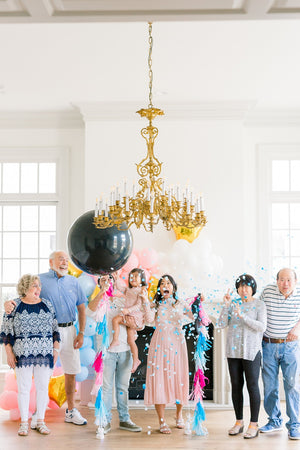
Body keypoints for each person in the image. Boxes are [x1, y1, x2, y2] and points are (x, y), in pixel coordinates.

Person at [4, 251, 88, 426]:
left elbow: (81, 308)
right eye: (60, 259)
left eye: (66, 259)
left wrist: (81, 333)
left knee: (71, 371)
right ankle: (36, 414)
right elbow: (25, 295)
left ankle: (71, 411)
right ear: (51, 262)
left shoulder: (74, 282)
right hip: (47, 333)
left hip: (70, 330)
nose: (64, 262)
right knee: (39, 372)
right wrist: (7, 303)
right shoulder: (40, 279)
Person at [87, 274, 151, 434]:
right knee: (106, 388)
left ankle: (124, 419)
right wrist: (102, 292)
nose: (108, 282)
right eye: (104, 280)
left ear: (116, 283)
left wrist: (135, 324)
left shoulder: (125, 300)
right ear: (100, 283)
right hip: (106, 352)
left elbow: (142, 322)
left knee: (123, 387)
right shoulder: (100, 302)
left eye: (110, 280)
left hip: (125, 350)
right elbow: (89, 312)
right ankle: (105, 420)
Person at [0, 274, 60, 436]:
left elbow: (55, 330)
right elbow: (5, 332)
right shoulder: (14, 305)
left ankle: (40, 421)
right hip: (22, 354)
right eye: (34, 285)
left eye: (39, 285)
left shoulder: (47, 304)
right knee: (24, 389)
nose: (38, 288)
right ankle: (24, 423)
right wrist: (9, 353)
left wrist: (56, 351)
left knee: (42, 388)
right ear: (25, 287)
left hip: (45, 354)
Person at [217, 274, 267, 439]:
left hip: (252, 352)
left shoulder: (259, 304)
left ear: (253, 288)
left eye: (247, 286)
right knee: (236, 386)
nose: (244, 289)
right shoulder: (233, 304)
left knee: (252, 386)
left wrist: (243, 317)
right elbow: (221, 324)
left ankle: (254, 424)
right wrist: (226, 306)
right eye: (241, 286)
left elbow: (261, 327)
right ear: (237, 289)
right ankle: (239, 422)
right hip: (233, 352)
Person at [144, 274, 194, 434]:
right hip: (160, 344)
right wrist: (146, 302)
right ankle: (161, 420)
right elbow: (147, 320)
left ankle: (179, 415)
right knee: (159, 380)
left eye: (168, 283)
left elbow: (194, 317)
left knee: (178, 378)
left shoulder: (181, 303)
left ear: (173, 287)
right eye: (162, 283)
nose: (165, 285)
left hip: (178, 345)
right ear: (159, 288)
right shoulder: (155, 305)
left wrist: (198, 304)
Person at [259, 268, 300, 440]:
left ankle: (295, 425)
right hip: (268, 345)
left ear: (295, 281)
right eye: (282, 280)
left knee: (292, 386)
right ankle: (274, 420)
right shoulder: (267, 292)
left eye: (289, 280)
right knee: (269, 386)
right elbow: (257, 310)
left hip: (290, 346)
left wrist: (297, 328)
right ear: (276, 281)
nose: (285, 284)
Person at [109, 268, 148, 373]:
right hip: (130, 316)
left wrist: (127, 310)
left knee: (115, 320)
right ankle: (136, 360)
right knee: (131, 340)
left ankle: (115, 340)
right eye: (131, 276)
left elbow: (139, 305)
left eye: (136, 276)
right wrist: (116, 278)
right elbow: (121, 288)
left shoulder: (141, 290)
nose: (133, 278)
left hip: (134, 317)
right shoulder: (129, 290)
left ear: (142, 279)